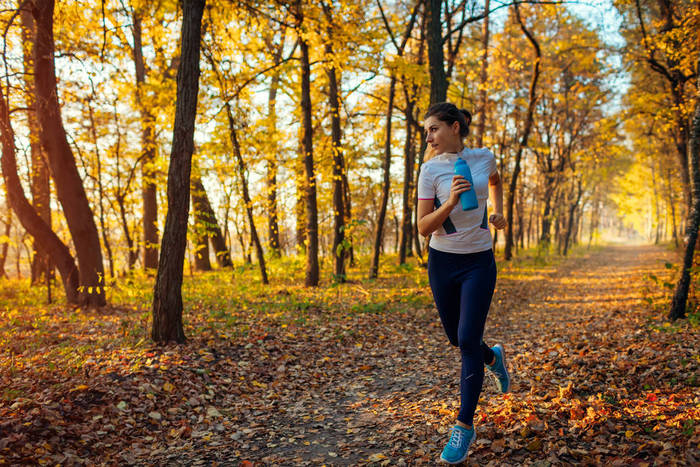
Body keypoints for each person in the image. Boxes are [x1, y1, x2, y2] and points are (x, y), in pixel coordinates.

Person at [416, 102, 512, 464]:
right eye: (427, 131)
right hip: (442, 262)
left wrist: (499, 209)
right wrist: (452, 200)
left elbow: (495, 181)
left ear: (454, 127)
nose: (429, 137)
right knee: (457, 338)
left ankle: (464, 426)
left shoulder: (484, 157)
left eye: (434, 129)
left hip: (479, 261)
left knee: (468, 338)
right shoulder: (430, 170)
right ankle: (494, 358)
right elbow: (424, 227)